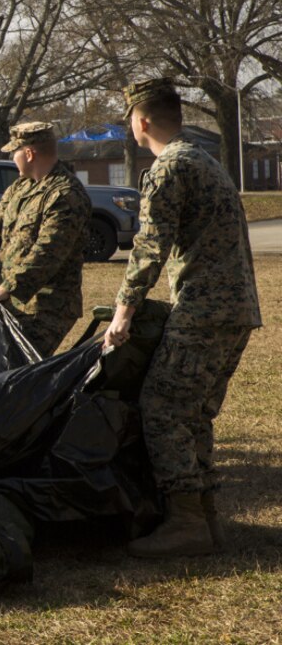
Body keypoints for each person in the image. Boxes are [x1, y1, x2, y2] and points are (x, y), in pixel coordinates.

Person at [103, 78, 261, 558]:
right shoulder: (205, 160)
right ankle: (206, 519)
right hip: (234, 310)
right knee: (195, 412)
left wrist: (123, 313)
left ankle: (187, 522)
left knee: (164, 407)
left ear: (142, 120)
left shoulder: (169, 167)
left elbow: (149, 247)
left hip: (202, 310)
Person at [0, 122, 89, 357]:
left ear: (29, 153)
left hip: (47, 306)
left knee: (14, 365)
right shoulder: (19, 188)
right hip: (12, 301)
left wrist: (9, 287)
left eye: (15, 151)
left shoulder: (65, 194)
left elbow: (48, 252)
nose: (13, 157)